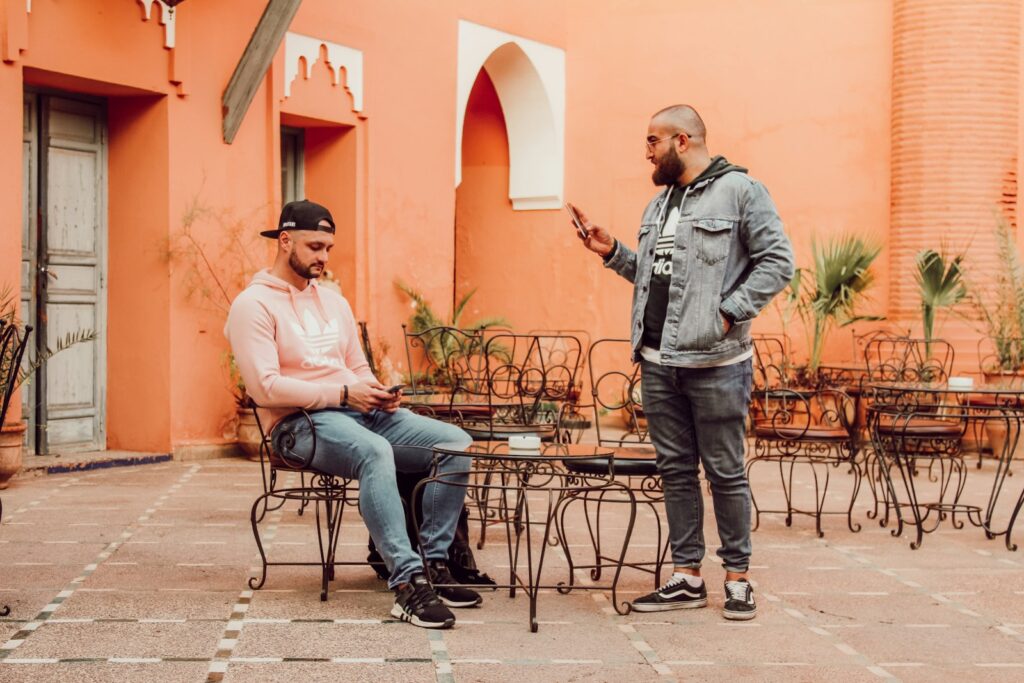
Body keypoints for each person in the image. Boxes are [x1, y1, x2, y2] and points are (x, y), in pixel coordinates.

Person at [571, 105, 794, 620]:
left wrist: (730, 312)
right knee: (675, 471)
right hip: (657, 360)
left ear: (683, 140)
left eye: (653, 140)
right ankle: (686, 575)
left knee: (724, 471)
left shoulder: (741, 191)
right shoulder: (659, 204)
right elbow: (657, 278)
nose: (646, 150)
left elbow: (778, 261)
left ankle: (737, 578)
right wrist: (613, 253)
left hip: (717, 361)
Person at [226, 199, 480, 629]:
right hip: (297, 425)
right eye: (314, 246)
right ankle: (407, 584)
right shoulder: (253, 305)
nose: (323, 257)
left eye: (328, 248)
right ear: (284, 240)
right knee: (375, 451)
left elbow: (357, 366)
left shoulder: (334, 302)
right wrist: (343, 393)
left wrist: (377, 392)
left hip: (357, 412)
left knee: (454, 443)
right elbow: (264, 389)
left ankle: (434, 564)